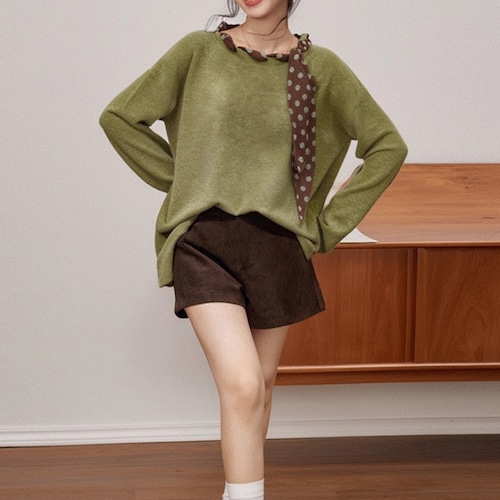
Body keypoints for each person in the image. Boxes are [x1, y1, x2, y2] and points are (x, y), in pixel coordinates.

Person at [99, 1, 407, 498]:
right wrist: (186, 184)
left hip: (277, 249)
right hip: (204, 241)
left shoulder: (321, 68)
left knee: (258, 387)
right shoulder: (198, 52)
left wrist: (327, 227)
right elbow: (120, 117)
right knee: (242, 384)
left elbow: (387, 145)